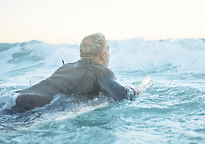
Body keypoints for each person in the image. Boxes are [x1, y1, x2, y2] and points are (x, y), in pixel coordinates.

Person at [13, 33, 141, 112]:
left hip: (16, 99)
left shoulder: (64, 68)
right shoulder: (102, 72)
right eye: (108, 51)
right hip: (36, 108)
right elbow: (123, 95)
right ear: (103, 55)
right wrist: (134, 90)